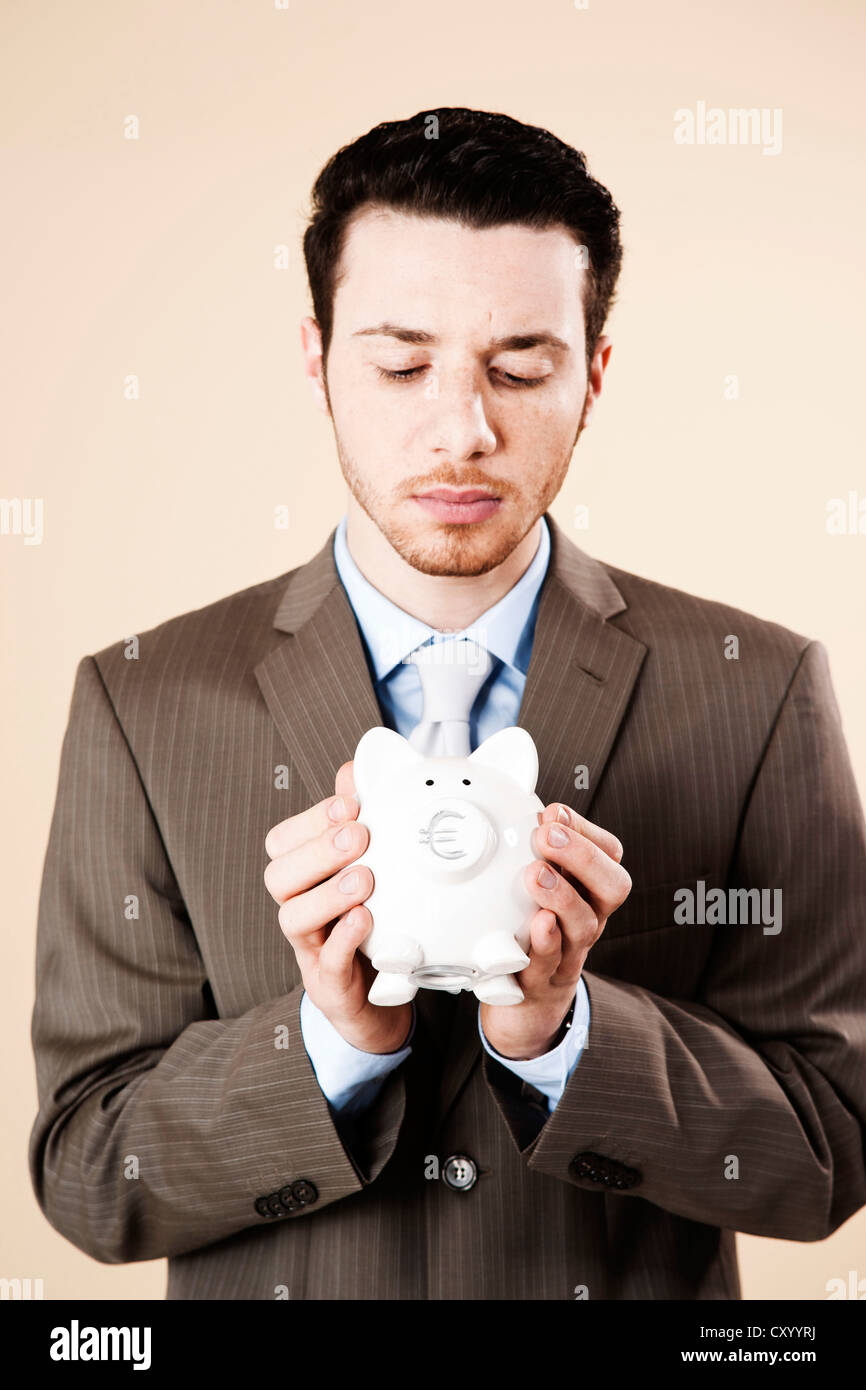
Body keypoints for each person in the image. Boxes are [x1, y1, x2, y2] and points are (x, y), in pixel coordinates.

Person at [29, 107, 866, 1300]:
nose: (463, 430)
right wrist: (331, 1043)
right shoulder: (140, 699)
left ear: (595, 377)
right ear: (315, 361)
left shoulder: (758, 685)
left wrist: (564, 1033)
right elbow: (88, 1173)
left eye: (521, 367)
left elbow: (829, 1146)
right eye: (401, 362)